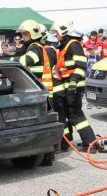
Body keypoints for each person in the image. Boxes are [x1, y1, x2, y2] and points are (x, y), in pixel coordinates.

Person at [50, 18, 98, 153]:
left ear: (63, 31)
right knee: (70, 113)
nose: (55, 36)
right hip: (69, 86)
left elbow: (81, 65)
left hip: (74, 86)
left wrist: (73, 81)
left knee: (75, 114)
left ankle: (90, 143)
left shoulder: (73, 45)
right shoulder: (65, 45)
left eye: (56, 33)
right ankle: (70, 142)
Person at [16, 21, 54, 165]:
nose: (23, 37)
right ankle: (47, 157)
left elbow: (29, 60)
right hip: (42, 90)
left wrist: (12, 59)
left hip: (40, 92)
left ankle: (48, 157)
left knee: (43, 125)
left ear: (33, 34)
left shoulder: (35, 47)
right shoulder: (36, 46)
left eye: (25, 34)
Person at [85, 45, 101, 109]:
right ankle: (89, 103)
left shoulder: (97, 56)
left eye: (91, 49)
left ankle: (97, 103)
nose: (90, 50)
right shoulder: (87, 57)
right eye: (89, 49)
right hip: (88, 75)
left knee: (96, 90)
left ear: (94, 49)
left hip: (96, 76)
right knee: (89, 90)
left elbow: (100, 65)